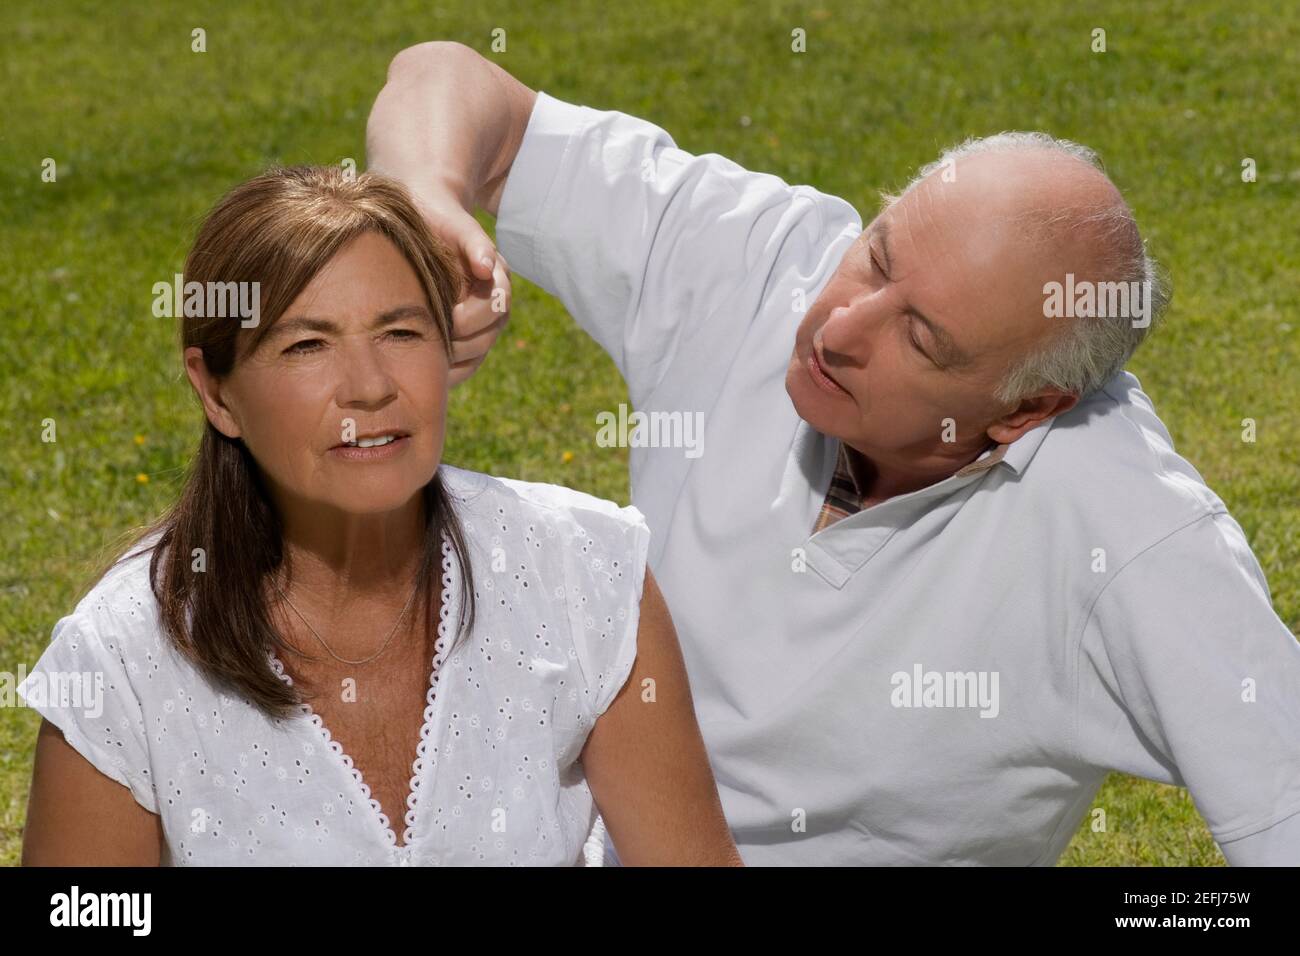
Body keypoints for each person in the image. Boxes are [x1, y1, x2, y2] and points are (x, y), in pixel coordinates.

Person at [365, 41, 1300, 865]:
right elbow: (449, 81)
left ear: (1027, 409)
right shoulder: (768, 261)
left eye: (922, 339)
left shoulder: (1132, 536)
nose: (840, 325)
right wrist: (421, 200)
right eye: (880, 255)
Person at [19, 165, 742, 867]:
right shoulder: (122, 659)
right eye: (307, 344)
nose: (369, 388)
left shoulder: (584, 576)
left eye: (400, 333)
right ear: (217, 393)